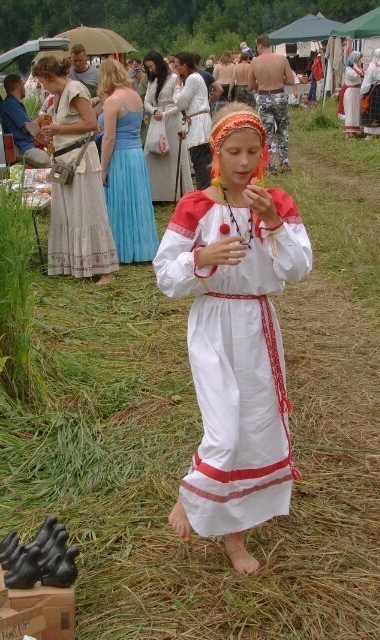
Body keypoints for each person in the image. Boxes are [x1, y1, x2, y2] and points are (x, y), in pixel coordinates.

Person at [153, 103, 312, 575]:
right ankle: (193, 494)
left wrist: (274, 225)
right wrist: (202, 256)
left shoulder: (276, 202)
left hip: (256, 325)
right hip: (212, 324)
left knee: (254, 429)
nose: (244, 162)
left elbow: (299, 267)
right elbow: (165, 275)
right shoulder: (196, 205)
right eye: (233, 152)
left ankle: (235, 537)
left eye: (252, 152)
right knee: (224, 426)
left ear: (263, 154)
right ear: (215, 155)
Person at [32, 56, 118, 284]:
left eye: (43, 81)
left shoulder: (75, 89)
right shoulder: (59, 95)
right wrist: (52, 132)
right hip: (65, 159)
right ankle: (78, 263)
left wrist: (59, 128)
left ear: (50, 77)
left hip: (80, 160)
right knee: (71, 213)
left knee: (88, 212)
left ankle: (105, 270)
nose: (43, 87)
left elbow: (92, 124)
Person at [98, 59, 159, 263]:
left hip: (120, 155)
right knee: (136, 202)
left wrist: (103, 168)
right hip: (135, 153)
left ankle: (120, 249)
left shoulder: (112, 101)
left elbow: (109, 137)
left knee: (120, 201)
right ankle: (140, 247)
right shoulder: (134, 95)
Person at [143, 50, 193, 202]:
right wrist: (154, 111)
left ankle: (176, 193)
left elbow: (180, 104)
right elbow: (146, 101)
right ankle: (157, 194)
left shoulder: (173, 79)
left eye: (152, 66)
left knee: (174, 154)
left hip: (172, 119)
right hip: (157, 119)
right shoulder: (152, 82)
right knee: (153, 154)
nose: (150, 70)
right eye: (148, 68)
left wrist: (164, 114)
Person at [248, 33, 295, 173]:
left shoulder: (255, 62)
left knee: (267, 132)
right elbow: (291, 81)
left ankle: (270, 165)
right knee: (283, 130)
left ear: (260, 45)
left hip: (263, 97)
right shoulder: (281, 59)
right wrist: (280, 81)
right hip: (279, 95)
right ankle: (284, 162)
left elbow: (250, 85)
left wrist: (262, 83)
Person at [172, 52, 212, 190]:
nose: (176, 69)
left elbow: (180, 103)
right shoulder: (194, 78)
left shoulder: (193, 78)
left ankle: (204, 193)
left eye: (177, 66)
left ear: (184, 65)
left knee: (200, 163)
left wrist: (177, 86)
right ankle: (206, 191)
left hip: (199, 125)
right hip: (197, 121)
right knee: (202, 161)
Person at [0, 74, 51, 168]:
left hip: (26, 144)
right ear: (17, 86)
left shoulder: (13, 103)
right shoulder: (11, 104)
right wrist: (43, 136)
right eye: (23, 85)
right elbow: (28, 126)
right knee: (49, 161)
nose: (25, 88)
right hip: (23, 147)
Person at [343, 52, 364, 139]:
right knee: (351, 111)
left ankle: (355, 130)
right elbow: (354, 76)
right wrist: (356, 67)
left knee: (357, 111)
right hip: (351, 91)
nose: (360, 60)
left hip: (357, 91)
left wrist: (358, 68)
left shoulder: (357, 68)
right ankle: (349, 133)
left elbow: (363, 75)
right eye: (359, 59)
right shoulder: (348, 69)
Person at [360, 48, 380, 138]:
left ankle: (370, 134)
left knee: (370, 110)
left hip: (374, 91)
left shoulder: (372, 67)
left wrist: (363, 92)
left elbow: (367, 82)